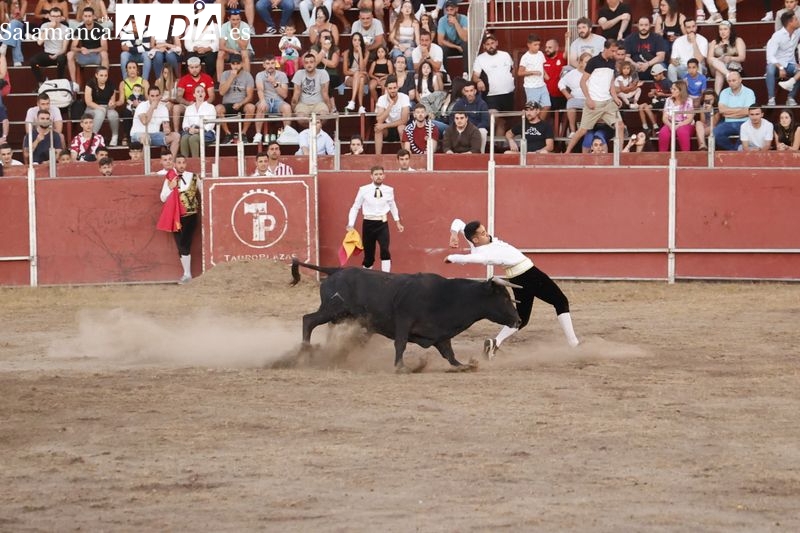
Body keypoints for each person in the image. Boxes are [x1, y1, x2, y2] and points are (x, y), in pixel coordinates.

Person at [445, 219, 580, 357]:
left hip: (517, 277)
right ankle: (574, 345)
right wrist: (451, 257)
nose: (488, 234)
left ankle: (495, 343)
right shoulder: (483, 254)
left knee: (521, 319)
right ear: (476, 239)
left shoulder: (476, 242)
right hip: (529, 274)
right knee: (561, 301)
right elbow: (470, 259)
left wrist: (454, 234)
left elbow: (458, 222)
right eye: (483, 233)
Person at [564, 40, 625, 154]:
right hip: (594, 102)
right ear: (605, 49)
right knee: (583, 130)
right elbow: (583, 82)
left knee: (620, 126)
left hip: (608, 101)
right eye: (612, 51)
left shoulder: (612, 62)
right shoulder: (593, 61)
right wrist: (588, 99)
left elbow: (611, 82)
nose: (614, 53)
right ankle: (567, 152)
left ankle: (619, 155)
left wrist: (615, 97)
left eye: (616, 51)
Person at [346, 165, 404, 273]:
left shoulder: (389, 190)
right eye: (376, 174)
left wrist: (397, 222)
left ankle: (386, 277)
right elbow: (355, 207)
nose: (379, 177)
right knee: (369, 256)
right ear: (371, 176)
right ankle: (366, 278)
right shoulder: (363, 190)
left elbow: (392, 205)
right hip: (368, 223)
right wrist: (351, 224)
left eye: (381, 174)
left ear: (384, 176)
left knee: (385, 250)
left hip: (382, 223)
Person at [159, 153, 200, 284]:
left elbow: (203, 192)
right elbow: (163, 198)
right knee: (180, 245)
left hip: (191, 215)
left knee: (184, 243)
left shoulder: (193, 176)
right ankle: (187, 274)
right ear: (175, 164)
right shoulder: (170, 179)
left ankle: (187, 274)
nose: (181, 165)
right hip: (176, 216)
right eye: (179, 163)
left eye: (183, 163)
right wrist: (171, 187)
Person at [215, 54, 256, 144]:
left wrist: (240, 103)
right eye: (233, 63)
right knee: (218, 108)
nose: (235, 66)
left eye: (238, 63)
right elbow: (221, 92)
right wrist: (231, 77)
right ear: (230, 64)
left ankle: (243, 133)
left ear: (241, 64)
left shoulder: (247, 75)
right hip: (227, 103)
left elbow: (250, 96)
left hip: (242, 103)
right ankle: (227, 134)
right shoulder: (225, 74)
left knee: (251, 107)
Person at [253, 55, 293, 144]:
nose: (270, 65)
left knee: (287, 107)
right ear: (264, 65)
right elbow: (260, 90)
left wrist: (274, 83)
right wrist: (262, 101)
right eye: (267, 63)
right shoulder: (260, 75)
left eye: (272, 63)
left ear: (275, 64)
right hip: (266, 100)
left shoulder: (282, 75)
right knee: (260, 106)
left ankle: (287, 134)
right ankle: (258, 134)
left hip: (278, 101)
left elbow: (284, 94)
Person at [66, 7, 109, 86]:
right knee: (69, 54)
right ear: (82, 17)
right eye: (85, 16)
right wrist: (80, 49)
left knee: (104, 54)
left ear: (93, 17)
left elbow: (104, 47)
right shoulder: (79, 29)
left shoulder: (100, 29)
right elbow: (72, 47)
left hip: (96, 56)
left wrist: (90, 50)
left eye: (89, 16)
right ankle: (74, 83)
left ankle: (103, 82)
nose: (87, 18)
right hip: (83, 55)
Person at [131, 86, 180, 156]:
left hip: (155, 135)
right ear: (148, 96)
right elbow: (145, 121)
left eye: (157, 96)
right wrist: (152, 108)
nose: (155, 98)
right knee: (146, 137)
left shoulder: (163, 108)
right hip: (138, 134)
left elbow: (166, 125)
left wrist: (167, 130)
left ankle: (171, 163)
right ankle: (144, 165)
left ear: (160, 96)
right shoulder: (142, 106)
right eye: (152, 96)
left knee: (176, 136)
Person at [28, 6, 69, 88]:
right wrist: (49, 28)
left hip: (59, 54)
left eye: (58, 16)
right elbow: (39, 42)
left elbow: (64, 49)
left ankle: (60, 82)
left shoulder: (65, 29)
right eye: (53, 16)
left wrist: (56, 55)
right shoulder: (45, 26)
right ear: (49, 17)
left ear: (61, 18)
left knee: (61, 59)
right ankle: (41, 82)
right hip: (47, 53)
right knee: (33, 61)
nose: (55, 19)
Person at [713, 70, 756, 151]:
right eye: (729, 81)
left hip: (745, 122)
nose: (731, 83)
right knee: (715, 133)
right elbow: (722, 110)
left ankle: (735, 152)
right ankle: (734, 151)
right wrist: (740, 110)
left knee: (746, 133)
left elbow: (747, 111)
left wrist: (728, 112)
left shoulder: (749, 92)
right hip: (727, 122)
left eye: (734, 80)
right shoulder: (724, 92)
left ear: (740, 80)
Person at [172, 56, 215, 134]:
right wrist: (189, 103)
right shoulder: (184, 79)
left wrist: (203, 105)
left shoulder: (207, 78)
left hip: (204, 105)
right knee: (176, 108)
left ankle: (206, 131)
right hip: (188, 106)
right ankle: (176, 133)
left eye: (196, 67)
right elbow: (178, 97)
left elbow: (212, 96)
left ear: (200, 67)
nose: (194, 70)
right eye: (192, 67)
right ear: (188, 68)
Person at [766, 11, 800, 107]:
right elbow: (770, 56)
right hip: (777, 65)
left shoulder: (797, 32)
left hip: (790, 64)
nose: (798, 21)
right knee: (770, 69)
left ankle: (790, 97)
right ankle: (771, 99)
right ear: (790, 23)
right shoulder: (777, 35)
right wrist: (780, 67)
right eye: (796, 20)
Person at [374, 75, 411, 155]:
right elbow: (379, 120)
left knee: (401, 128)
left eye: (394, 88)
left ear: (397, 87)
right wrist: (390, 105)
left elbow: (404, 120)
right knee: (378, 128)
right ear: (386, 89)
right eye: (390, 88)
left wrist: (384, 126)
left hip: (401, 127)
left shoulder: (404, 97)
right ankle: (377, 157)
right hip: (388, 130)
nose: (393, 90)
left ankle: (405, 155)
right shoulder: (382, 99)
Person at [707, 20, 746, 95]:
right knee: (712, 60)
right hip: (716, 66)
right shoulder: (714, 42)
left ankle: (716, 96)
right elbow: (709, 60)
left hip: (733, 65)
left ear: (730, 30)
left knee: (720, 72)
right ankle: (729, 75)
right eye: (720, 29)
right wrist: (719, 60)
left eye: (725, 29)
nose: (722, 32)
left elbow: (742, 57)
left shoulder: (738, 40)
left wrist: (730, 58)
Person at [624, 16, 666, 82]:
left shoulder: (657, 38)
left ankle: (661, 88)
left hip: (652, 65)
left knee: (661, 66)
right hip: (635, 66)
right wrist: (635, 64)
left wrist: (647, 64)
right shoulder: (629, 39)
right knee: (625, 65)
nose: (643, 28)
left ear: (650, 25)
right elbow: (626, 57)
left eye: (646, 25)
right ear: (637, 26)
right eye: (641, 25)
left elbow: (661, 57)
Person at [658, 80, 694, 152]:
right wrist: (670, 125)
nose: (671, 90)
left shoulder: (689, 100)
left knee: (682, 131)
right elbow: (664, 117)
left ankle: (686, 155)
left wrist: (678, 125)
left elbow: (690, 118)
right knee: (663, 132)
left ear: (681, 91)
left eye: (674, 89)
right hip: (671, 123)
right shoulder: (668, 100)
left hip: (685, 123)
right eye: (671, 88)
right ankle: (662, 156)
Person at [559, 52, 590, 136]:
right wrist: (567, 94)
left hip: (589, 99)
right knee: (570, 103)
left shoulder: (592, 73)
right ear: (580, 62)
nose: (589, 64)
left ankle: (588, 130)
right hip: (576, 98)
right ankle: (573, 131)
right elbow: (561, 83)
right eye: (586, 62)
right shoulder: (572, 73)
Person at [180, 85, 216, 158]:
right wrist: (189, 129)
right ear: (194, 94)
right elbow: (185, 123)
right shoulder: (189, 108)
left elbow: (211, 124)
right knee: (184, 138)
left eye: (202, 92)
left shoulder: (210, 107)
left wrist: (198, 130)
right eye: (198, 92)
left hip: (205, 132)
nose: (200, 93)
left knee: (193, 138)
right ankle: (183, 163)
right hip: (191, 130)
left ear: (205, 94)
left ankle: (196, 162)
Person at [667, 18, 707, 83]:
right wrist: (675, 61)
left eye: (693, 26)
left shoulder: (703, 40)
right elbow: (673, 59)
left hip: (698, 67)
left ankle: (697, 89)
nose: (691, 29)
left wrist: (694, 41)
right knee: (671, 67)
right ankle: (674, 88)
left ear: (696, 27)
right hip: (683, 67)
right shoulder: (678, 41)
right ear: (685, 29)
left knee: (698, 65)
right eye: (688, 27)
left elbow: (699, 59)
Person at [517, 33, 548, 110]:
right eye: (535, 45)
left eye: (538, 44)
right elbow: (520, 73)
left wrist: (545, 74)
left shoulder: (540, 54)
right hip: (531, 87)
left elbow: (542, 66)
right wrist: (533, 72)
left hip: (542, 85)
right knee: (532, 109)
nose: (538, 47)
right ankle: (529, 121)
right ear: (529, 45)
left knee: (547, 106)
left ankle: (540, 122)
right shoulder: (525, 57)